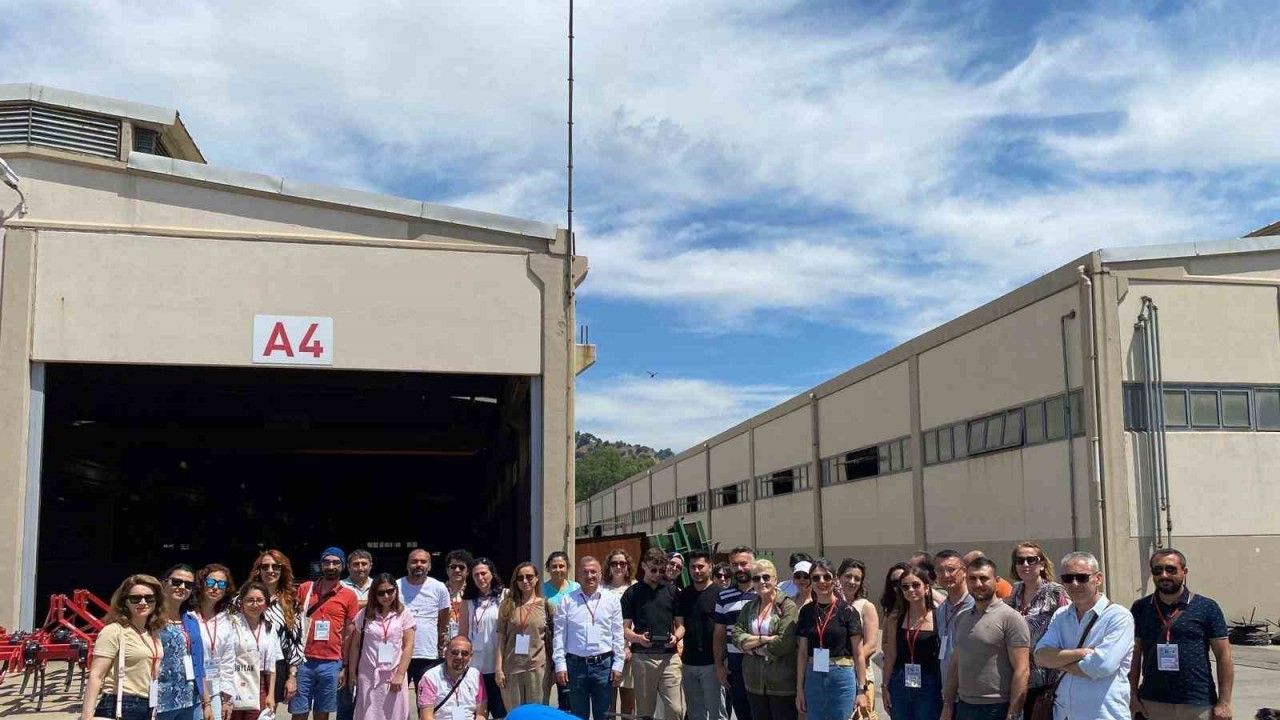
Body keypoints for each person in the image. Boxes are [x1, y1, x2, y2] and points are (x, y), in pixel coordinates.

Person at [1129, 549, 1233, 720]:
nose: (1164, 575)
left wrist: (1224, 702)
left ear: (1184, 571)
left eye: (1170, 569)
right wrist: (1132, 695)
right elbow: (1133, 654)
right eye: (1157, 570)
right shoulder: (1141, 608)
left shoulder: (1207, 607)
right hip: (1152, 702)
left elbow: (1224, 655)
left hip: (1197, 702)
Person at [1032, 551, 1134, 720]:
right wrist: (1082, 653)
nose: (1074, 583)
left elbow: (1102, 666)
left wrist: (1058, 662)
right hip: (1063, 714)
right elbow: (1040, 657)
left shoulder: (1118, 616)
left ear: (1098, 579)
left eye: (1082, 577)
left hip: (1103, 715)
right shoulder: (1061, 615)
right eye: (1068, 578)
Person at [941, 557, 1029, 720]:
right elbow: (955, 663)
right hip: (964, 707)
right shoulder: (962, 617)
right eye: (972, 579)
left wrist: (1013, 714)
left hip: (997, 708)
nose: (978, 584)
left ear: (996, 581)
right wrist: (948, 705)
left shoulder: (1011, 618)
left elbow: (1022, 670)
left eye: (984, 578)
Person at [82, 574, 167, 720]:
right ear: (125, 602)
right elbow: (96, 675)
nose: (143, 602)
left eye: (149, 598)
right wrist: (86, 716)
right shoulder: (114, 631)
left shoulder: (153, 632)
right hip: (121, 704)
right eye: (135, 598)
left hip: (148, 705)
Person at [552, 555, 625, 720]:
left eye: (593, 572)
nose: (589, 576)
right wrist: (560, 665)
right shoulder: (567, 601)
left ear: (600, 574)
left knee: (604, 716)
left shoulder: (611, 600)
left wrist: (618, 664)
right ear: (578, 575)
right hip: (575, 667)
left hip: (604, 666)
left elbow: (618, 634)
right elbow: (559, 635)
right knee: (578, 716)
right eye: (585, 572)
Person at [795, 558, 868, 720]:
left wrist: (861, 690)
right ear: (811, 581)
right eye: (816, 578)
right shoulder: (806, 612)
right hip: (813, 676)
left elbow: (859, 654)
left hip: (841, 676)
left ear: (834, 579)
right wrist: (800, 689)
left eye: (826, 577)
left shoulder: (848, 611)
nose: (822, 581)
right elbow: (802, 653)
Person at [292, 547, 360, 720]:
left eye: (336, 562)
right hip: (303, 660)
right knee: (299, 712)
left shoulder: (349, 595)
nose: (331, 566)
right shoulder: (305, 589)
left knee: (322, 712)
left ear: (343, 566)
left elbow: (349, 633)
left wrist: (344, 666)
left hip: (331, 662)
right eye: (327, 562)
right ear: (321, 565)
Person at [730, 558, 799, 720]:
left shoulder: (787, 606)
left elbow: (784, 644)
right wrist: (764, 639)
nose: (761, 582)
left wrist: (750, 647)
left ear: (775, 579)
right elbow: (736, 636)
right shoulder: (749, 607)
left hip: (781, 683)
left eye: (766, 577)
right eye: (756, 578)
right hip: (754, 682)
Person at [621, 547, 685, 720]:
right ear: (643, 566)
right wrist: (638, 638)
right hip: (643, 657)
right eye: (653, 570)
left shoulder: (672, 591)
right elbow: (625, 629)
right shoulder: (632, 593)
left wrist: (676, 637)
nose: (657, 574)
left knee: (675, 709)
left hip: (669, 657)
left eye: (661, 571)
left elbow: (681, 626)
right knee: (645, 712)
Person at [1007, 542, 1068, 712]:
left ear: (1041, 564)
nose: (1025, 564)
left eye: (1031, 560)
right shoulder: (1015, 591)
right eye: (1020, 560)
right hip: (1018, 676)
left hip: (1047, 679)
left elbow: (1069, 625)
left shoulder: (1055, 592)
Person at [346, 574, 415, 720]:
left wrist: (400, 674)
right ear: (374, 594)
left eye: (390, 591)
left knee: (394, 714)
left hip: (394, 674)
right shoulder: (364, 614)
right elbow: (356, 645)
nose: (386, 596)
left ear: (395, 590)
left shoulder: (404, 613)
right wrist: (352, 672)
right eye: (381, 593)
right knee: (369, 713)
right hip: (368, 674)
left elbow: (408, 646)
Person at [881, 563, 942, 720]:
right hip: (900, 682)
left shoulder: (939, 617)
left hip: (929, 683)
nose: (910, 590)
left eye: (916, 585)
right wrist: (885, 685)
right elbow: (891, 655)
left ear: (926, 587)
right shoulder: (896, 618)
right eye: (905, 587)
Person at [248, 550, 303, 711]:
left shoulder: (291, 602)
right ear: (258, 570)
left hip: (277, 665)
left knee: (268, 712)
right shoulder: (244, 598)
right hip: (248, 662)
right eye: (265, 566)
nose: (270, 570)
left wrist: (292, 676)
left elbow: (296, 642)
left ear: (282, 570)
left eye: (275, 566)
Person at [495, 562, 555, 708]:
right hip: (511, 669)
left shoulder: (546, 605)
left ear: (537, 578)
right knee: (515, 714)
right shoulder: (507, 605)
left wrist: (555, 668)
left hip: (538, 668)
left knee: (536, 714)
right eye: (520, 578)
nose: (525, 581)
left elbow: (554, 639)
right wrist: (498, 669)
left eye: (529, 577)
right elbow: (501, 639)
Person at [157, 565, 213, 720]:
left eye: (188, 585)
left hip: (190, 701)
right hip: (160, 702)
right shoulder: (151, 619)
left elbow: (198, 664)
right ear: (164, 583)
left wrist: (206, 703)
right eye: (176, 582)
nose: (182, 587)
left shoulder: (191, 621)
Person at [677, 550, 727, 720]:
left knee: (716, 713)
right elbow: (680, 625)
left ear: (710, 566)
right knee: (695, 713)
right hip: (689, 663)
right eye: (693, 567)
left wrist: (721, 664)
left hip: (713, 664)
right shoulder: (684, 594)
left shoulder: (720, 594)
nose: (697, 571)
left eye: (700, 566)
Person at [459, 557, 509, 719]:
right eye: (476, 575)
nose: (480, 578)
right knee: (477, 713)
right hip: (475, 667)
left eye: (483, 573)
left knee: (501, 712)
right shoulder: (467, 601)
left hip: (498, 665)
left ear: (492, 574)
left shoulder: (505, 596)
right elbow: (462, 635)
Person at [227, 582, 284, 720]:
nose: (255, 604)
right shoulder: (231, 623)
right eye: (250, 600)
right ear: (242, 602)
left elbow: (271, 666)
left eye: (259, 600)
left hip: (260, 684)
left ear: (266, 603)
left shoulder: (270, 627)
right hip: (234, 682)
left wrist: (271, 694)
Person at [399, 549, 453, 693]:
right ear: (407, 564)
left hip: (428, 653)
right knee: (396, 699)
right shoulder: (397, 586)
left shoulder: (439, 588)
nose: (419, 564)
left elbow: (444, 619)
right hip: (400, 653)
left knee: (426, 698)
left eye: (423, 562)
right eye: (414, 561)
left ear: (429, 566)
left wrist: (439, 644)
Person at [714, 546, 757, 720]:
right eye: (734, 564)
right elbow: (719, 635)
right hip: (736, 667)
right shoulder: (724, 596)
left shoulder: (766, 593)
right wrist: (719, 666)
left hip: (762, 666)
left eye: (743, 563)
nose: (739, 568)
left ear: (753, 564)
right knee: (742, 713)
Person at [191, 564, 237, 720]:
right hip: (191, 691)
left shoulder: (226, 620)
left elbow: (228, 662)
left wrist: (227, 699)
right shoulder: (189, 616)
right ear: (201, 584)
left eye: (221, 584)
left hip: (215, 690)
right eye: (211, 582)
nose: (215, 587)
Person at [837, 559, 880, 720]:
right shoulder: (831, 605)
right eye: (848, 576)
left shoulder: (866, 606)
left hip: (860, 677)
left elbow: (871, 645)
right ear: (839, 577)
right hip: (835, 675)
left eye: (857, 578)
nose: (852, 581)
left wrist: (847, 662)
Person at [543, 550, 582, 712]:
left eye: (561, 566)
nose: (558, 570)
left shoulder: (576, 587)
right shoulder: (542, 590)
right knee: (549, 688)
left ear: (567, 568)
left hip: (572, 644)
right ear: (548, 569)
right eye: (554, 566)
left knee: (570, 692)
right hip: (549, 643)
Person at [338, 550, 373, 720]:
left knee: (369, 701)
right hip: (345, 649)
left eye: (364, 564)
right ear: (348, 567)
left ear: (370, 565)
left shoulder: (378, 585)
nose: (360, 568)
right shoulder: (339, 586)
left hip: (370, 650)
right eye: (356, 564)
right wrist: (371, 603)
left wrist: (351, 604)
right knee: (345, 702)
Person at [602, 549, 637, 717]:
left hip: (629, 649)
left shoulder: (635, 587)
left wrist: (629, 646)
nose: (618, 567)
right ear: (608, 566)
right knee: (608, 702)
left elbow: (638, 620)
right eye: (614, 563)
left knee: (628, 702)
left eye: (622, 563)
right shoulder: (601, 588)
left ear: (628, 566)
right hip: (606, 649)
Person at [418, 636, 486, 720]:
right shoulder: (430, 677)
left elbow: (481, 713)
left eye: (465, 653)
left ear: (470, 656)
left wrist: (481, 717)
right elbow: (426, 717)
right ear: (446, 653)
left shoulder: (476, 675)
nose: (459, 657)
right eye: (455, 652)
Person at [934, 550, 974, 691]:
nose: (946, 575)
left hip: (971, 691)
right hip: (947, 690)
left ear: (964, 571)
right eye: (940, 571)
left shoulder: (976, 606)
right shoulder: (941, 609)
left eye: (951, 570)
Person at [446, 550, 475, 639]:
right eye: (453, 567)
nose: (457, 570)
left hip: (467, 642)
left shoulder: (473, 593)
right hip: (444, 642)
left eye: (461, 567)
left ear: (468, 571)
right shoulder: (439, 591)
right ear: (447, 570)